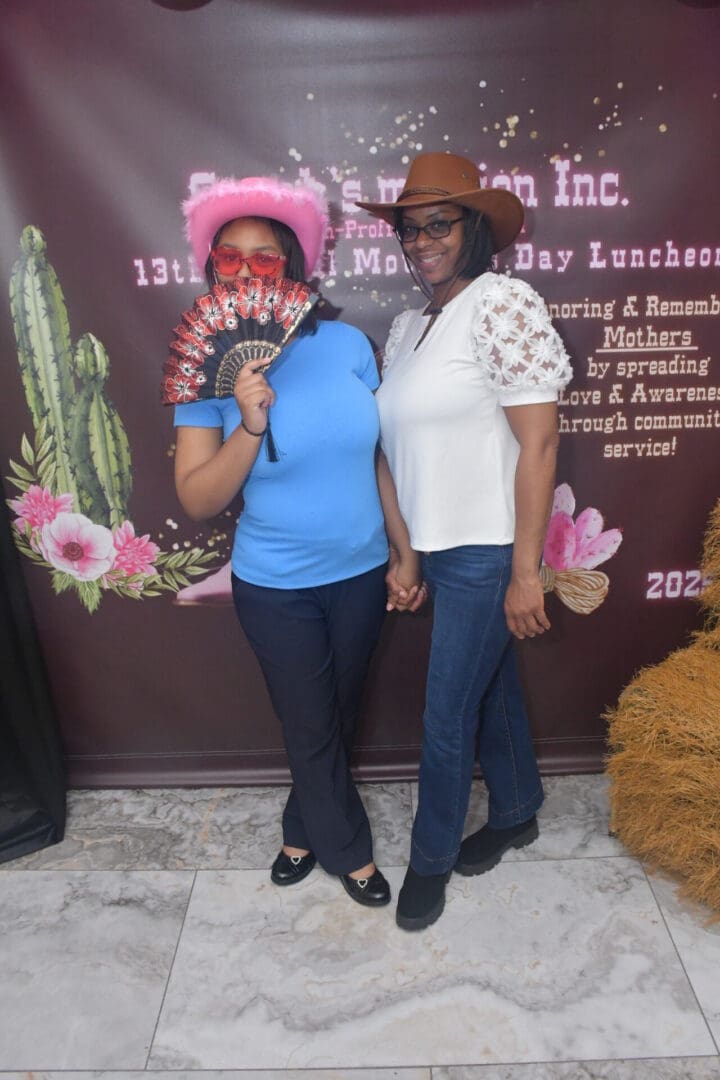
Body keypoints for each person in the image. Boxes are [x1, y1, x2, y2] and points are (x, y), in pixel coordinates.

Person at [173, 174, 420, 907]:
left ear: (295, 269)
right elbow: (197, 499)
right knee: (310, 718)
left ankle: (300, 827)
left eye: (267, 256)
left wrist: (404, 550)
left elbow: (374, 458)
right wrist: (248, 421)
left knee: (335, 713)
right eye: (229, 256)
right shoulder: (203, 367)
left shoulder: (347, 345)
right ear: (210, 266)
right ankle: (351, 853)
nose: (247, 270)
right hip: (275, 582)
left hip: (361, 571)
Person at [358, 152, 573, 931]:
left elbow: (539, 443)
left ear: (474, 229)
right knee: (490, 687)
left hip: (488, 548)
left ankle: (430, 862)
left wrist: (526, 571)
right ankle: (516, 809)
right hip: (435, 546)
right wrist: (405, 552)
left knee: (445, 715)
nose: (420, 242)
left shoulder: (504, 304)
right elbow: (394, 451)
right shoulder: (410, 325)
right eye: (410, 230)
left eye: (437, 225)